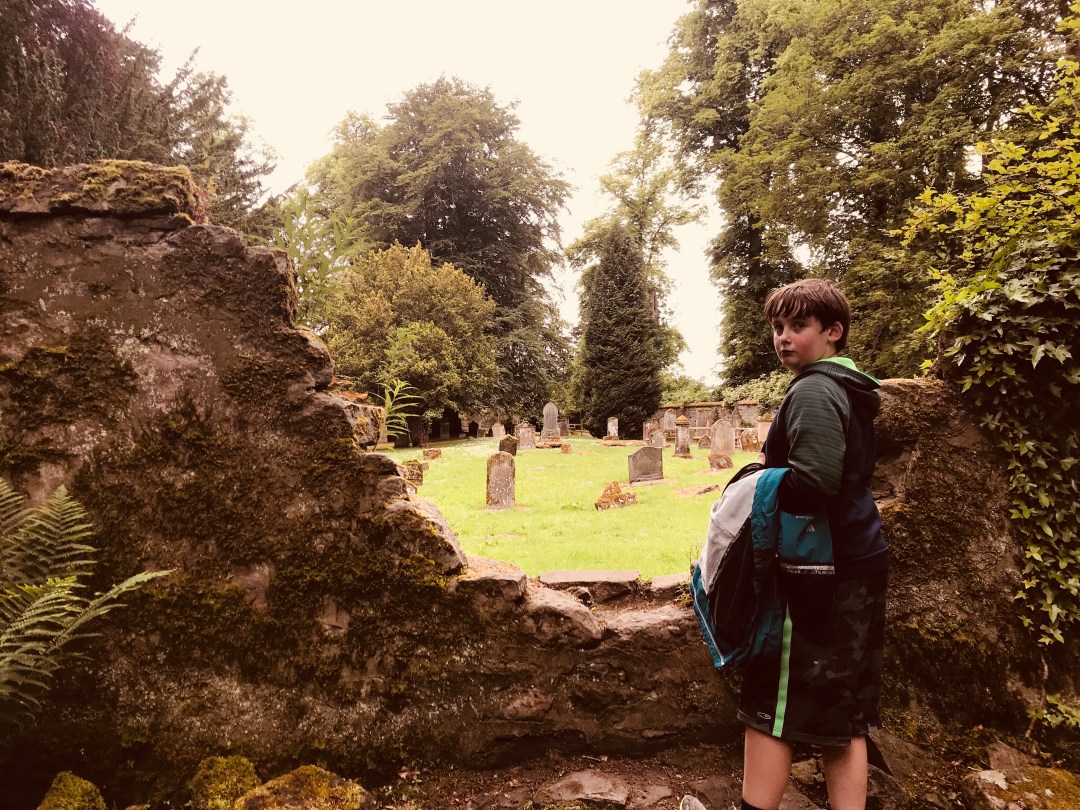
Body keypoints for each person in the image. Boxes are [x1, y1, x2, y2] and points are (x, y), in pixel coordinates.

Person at [688, 279, 888, 810]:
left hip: (816, 572)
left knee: (771, 708)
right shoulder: (851, 387)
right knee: (843, 714)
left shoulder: (815, 390)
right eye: (778, 327)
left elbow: (815, 482)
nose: (783, 337)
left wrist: (757, 480)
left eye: (798, 326)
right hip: (857, 559)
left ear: (833, 331)